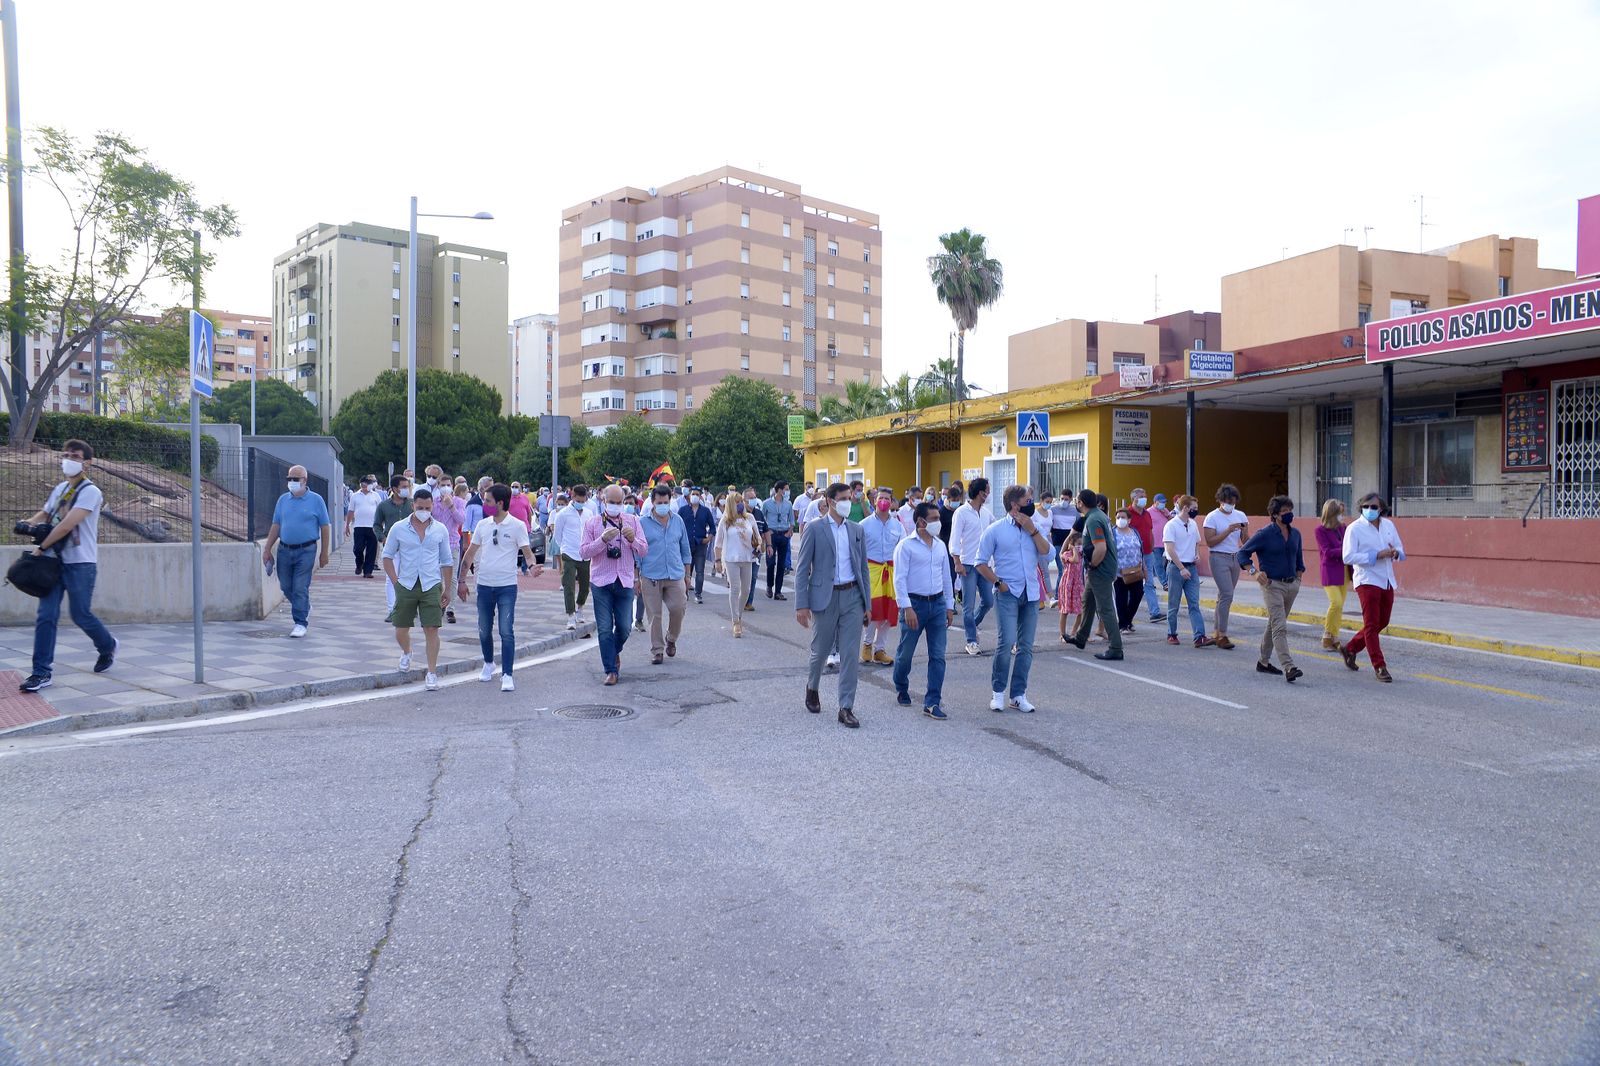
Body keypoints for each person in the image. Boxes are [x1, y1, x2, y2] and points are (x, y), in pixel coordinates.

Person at [18, 439, 118, 692]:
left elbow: (66, 525)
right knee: (46, 616)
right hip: (53, 562)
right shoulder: (61, 488)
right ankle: (41, 672)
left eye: (75, 456)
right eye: (66, 455)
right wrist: (28, 523)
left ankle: (107, 646)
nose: (68, 459)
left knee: (80, 614)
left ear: (87, 462)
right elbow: (47, 514)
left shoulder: (91, 491)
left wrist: (40, 548)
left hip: (80, 562)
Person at [794, 482, 871, 729]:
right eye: (844, 498)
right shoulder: (815, 529)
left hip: (852, 597)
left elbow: (863, 569)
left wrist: (867, 604)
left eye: (851, 497)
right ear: (829, 501)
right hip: (824, 598)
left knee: (850, 654)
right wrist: (801, 604)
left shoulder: (856, 530)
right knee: (820, 650)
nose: (849, 501)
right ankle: (812, 687)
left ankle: (846, 707)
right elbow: (802, 568)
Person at [974, 484, 1053, 712]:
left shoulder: (1034, 526)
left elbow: (1048, 554)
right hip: (1007, 593)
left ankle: (1018, 694)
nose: (1033, 504)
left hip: (1030, 594)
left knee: (1026, 646)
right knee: (1006, 642)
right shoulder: (996, 529)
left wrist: (1033, 530)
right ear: (1014, 505)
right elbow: (980, 562)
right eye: (1028, 501)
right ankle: (998, 692)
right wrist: (998, 583)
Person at [457, 483, 539, 692]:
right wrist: (461, 580)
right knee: (484, 630)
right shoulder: (483, 526)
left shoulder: (517, 525)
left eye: (488, 501)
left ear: (500, 503)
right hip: (484, 585)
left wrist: (532, 567)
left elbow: (527, 552)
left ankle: (507, 674)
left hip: (507, 586)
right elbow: (470, 553)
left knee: (506, 630)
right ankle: (488, 662)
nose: (484, 504)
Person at [381, 486, 454, 690]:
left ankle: (431, 672)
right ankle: (407, 652)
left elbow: (447, 561)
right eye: (420, 507)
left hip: (431, 584)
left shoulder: (440, 529)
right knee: (401, 628)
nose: (424, 511)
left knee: (431, 628)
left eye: (428, 508)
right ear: (413, 506)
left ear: (433, 507)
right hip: (406, 583)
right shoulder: (398, 528)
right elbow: (386, 557)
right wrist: (396, 583)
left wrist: (447, 589)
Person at [891, 501, 955, 719]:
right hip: (914, 605)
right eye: (935, 519)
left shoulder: (940, 545)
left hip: (937, 605)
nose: (938, 522)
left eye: (938, 518)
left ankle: (932, 701)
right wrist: (906, 607)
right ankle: (901, 685)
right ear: (921, 521)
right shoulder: (905, 546)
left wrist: (949, 606)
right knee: (906, 653)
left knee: (938, 655)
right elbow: (898, 579)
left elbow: (947, 577)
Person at [1239, 495, 1306, 683]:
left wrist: (1298, 580)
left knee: (1274, 623)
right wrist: (1254, 572)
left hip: (1291, 585)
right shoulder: (1265, 534)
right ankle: (1289, 666)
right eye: (1284, 512)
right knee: (1280, 626)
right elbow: (1242, 554)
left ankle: (1263, 661)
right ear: (1275, 514)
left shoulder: (1296, 534)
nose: (1289, 514)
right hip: (1272, 586)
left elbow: (1299, 559)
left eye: (1290, 511)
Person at [581, 483, 643, 686]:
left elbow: (644, 550)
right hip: (601, 581)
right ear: (603, 500)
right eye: (612, 502)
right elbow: (583, 553)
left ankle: (614, 651)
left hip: (624, 580)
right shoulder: (593, 523)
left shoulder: (632, 521)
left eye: (620, 502)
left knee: (625, 627)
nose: (616, 506)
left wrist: (633, 540)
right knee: (605, 628)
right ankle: (610, 670)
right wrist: (601, 540)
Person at [261, 464, 332, 638]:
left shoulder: (316, 500)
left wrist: (324, 553)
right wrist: (267, 548)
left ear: (304, 480)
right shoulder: (283, 500)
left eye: (296, 479)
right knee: (286, 586)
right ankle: (304, 606)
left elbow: (324, 526)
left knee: (300, 586)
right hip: (285, 550)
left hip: (306, 550)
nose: (292, 482)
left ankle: (300, 622)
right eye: (289, 479)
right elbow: (276, 525)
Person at [1341, 493, 1405, 683]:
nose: (1370, 510)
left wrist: (1395, 553)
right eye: (1366, 506)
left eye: (1374, 507)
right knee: (1371, 624)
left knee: (1382, 622)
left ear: (1381, 509)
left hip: (1386, 579)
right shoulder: (1354, 529)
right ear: (1361, 508)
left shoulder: (1388, 526)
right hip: (1367, 579)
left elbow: (1401, 550)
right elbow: (1348, 557)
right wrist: (1375, 555)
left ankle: (1350, 648)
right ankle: (1379, 666)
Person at [1064, 488, 1123, 661]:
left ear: (1081, 503)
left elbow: (1101, 548)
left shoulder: (1093, 520)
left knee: (1105, 609)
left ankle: (1116, 647)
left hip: (1100, 569)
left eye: (1077, 500)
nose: (1076, 503)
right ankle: (1081, 638)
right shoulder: (1097, 515)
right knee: (1087, 601)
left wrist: (1093, 565)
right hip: (1101, 567)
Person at [638, 485, 692, 665]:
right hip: (651, 575)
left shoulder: (678, 521)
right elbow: (637, 551)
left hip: (675, 573)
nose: (663, 505)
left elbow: (685, 548)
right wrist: (636, 576)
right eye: (659, 502)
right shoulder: (642, 522)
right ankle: (657, 650)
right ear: (652, 503)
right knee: (654, 615)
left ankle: (671, 638)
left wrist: (687, 573)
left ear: (670, 501)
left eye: (666, 502)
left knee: (679, 607)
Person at [1162, 495, 1214, 648]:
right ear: (1185, 508)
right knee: (1174, 603)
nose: (1196, 511)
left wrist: (1196, 553)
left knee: (1194, 604)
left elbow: (1197, 541)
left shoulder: (1192, 524)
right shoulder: (1171, 525)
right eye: (1194, 508)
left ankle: (1199, 636)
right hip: (1176, 568)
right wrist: (1181, 568)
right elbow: (1170, 549)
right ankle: (1171, 633)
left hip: (1191, 567)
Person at [860, 488, 905, 665]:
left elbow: (903, 550)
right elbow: (857, 550)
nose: (884, 501)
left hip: (892, 571)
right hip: (871, 571)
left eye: (887, 498)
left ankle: (880, 649)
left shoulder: (898, 525)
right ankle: (867, 645)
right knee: (873, 611)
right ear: (874, 501)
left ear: (892, 502)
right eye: (881, 498)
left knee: (888, 612)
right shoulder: (864, 525)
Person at [1203, 483, 1249, 651]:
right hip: (1218, 557)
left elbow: (1246, 540)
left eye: (1234, 501)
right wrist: (1228, 531)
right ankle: (1223, 634)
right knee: (1227, 594)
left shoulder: (1241, 515)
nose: (1231, 504)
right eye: (1228, 500)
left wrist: (1243, 532)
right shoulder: (1212, 517)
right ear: (1221, 500)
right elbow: (1210, 541)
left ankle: (1217, 631)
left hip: (1235, 557)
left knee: (1223, 596)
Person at [951, 477, 994, 656]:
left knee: (988, 601)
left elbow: (995, 529)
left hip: (984, 564)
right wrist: (957, 562)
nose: (988, 494)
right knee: (968, 605)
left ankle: (972, 625)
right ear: (979, 492)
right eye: (986, 491)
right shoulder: (961, 512)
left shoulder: (986, 513)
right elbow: (954, 539)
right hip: (967, 563)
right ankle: (971, 640)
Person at [714, 492, 763, 637]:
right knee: (735, 589)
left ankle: (738, 615)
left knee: (746, 591)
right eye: (737, 502)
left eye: (741, 501)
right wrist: (717, 561)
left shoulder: (750, 518)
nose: (740, 504)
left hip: (748, 558)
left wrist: (759, 546)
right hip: (731, 559)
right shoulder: (726, 520)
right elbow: (718, 543)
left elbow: (758, 537)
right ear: (730, 505)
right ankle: (736, 622)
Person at [374, 474, 413, 622]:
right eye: (403, 487)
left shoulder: (411, 504)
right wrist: (383, 538)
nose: (406, 490)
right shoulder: (383, 506)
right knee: (391, 579)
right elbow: (376, 525)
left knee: (409, 578)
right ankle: (392, 610)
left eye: (407, 487)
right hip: (391, 549)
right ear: (394, 489)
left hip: (410, 548)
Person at [553, 486, 592, 631]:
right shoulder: (563, 514)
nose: (580, 503)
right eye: (578, 500)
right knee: (568, 585)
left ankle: (579, 608)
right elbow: (558, 535)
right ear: (572, 496)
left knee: (584, 586)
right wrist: (564, 547)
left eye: (583, 500)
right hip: (569, 552)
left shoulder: (589, 513)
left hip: (585, 554)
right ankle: (570, 615)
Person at [429, 467, 465, 624]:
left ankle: (450, 609)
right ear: (438, 486)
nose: (445, 487)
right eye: (442, 485)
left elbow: (461, 520)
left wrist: (451, 506)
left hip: (452, 543)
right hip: (435, 545)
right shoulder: (433, 503)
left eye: (448, 485)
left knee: (452, 579)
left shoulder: (459, 502)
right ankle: (438, 605)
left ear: (452, 486)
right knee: (436, 577)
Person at [1316, 499, 1351, 650]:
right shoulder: (1320, 531)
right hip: (1330, 571)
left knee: (1340, 605)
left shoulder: (1344, 528)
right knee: (1335, 603)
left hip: (1344, 571)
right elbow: (1327, 552)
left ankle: (1335, 636)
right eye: (1339, 513)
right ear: (1331, 514)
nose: (1342, 516)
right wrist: (1346, 551)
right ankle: (1327, 634)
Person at [1126, 488, 1163, 623]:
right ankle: (1126, 617)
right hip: (1133, 555)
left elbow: (1150, 531)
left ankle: (1155, 612)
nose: (1144, 498)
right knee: (1131, 585)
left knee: (1150, 583)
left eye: (1145, 496)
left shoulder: (1147, 514)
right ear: (1133, 498)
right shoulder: (1127, 514)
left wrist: (1152, 547)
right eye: (1141, 496)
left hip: (1148, 553)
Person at [679, 486, 717, 604]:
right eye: (693, 494)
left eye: (697, 494)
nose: (694, 496)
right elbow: (677, 525)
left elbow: (712, 527)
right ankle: (684, 592)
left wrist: (709, 538)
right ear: (690, 495)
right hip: (686, 545)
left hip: (701, 544)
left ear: (700, 496)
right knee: (686, 570)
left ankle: (698, 593)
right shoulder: (683, 510)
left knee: (700, 570)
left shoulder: (705, 511)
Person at [1111, 507, 1146, 634]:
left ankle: (1128, 620)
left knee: (1137, 595)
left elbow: (1140, 551)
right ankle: (1123, 625)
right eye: (1118, 517)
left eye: (1123, 517)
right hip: (1119, 573)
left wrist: (1145, 570)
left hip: (1135, 571)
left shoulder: (1134, 532)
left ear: (1129, 520)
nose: (1120, 520)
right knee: (1121, 598)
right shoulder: (1112, 533)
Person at [762, 480, 796, 601]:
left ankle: (778, 591)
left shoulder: (788, 504)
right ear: (779, 490)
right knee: (771, 563)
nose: (787, 491)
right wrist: (765, 533)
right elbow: (762, 518)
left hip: (783, 534)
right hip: (771, 534)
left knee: (782, 565)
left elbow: (792, 520)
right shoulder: (766, 503)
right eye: (786, 489)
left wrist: (789, 532)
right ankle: (769, 586)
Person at [344, 475, 382, 578]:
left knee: (371, 549)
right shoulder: (355, 496)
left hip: (372, 527)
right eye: (363, 485)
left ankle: (368, 571)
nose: (365, 487)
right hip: (359, 526)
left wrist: (381, 525)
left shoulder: (376, 496)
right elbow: (351, 511)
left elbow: (380, 511)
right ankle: (359, 564)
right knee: (358, 548)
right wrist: (347, 525)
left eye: (367, 485)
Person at [1057, 530, 1084, 642]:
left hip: (1078, 584)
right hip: (1067, 584)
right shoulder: (1066, 554)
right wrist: (1073, 549)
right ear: (1072, 544)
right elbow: (1075, 560)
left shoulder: (1082, 555)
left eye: (1081, 544)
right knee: (1065, 610)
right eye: (1078, 544)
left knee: (1081, 610)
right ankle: (1062, 634)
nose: (1080, 546)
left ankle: (1074, 632)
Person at [1148, 493, 1172, 595]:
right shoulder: (1149, 512)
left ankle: (1168, 581)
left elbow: (1172, 522)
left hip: (1166, 541)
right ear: (1156, 502)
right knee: (1158, 564)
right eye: (1162, 502)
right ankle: (1165, 583)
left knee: (1168, 563)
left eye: (1164, 502)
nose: (1163, 504)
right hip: (1155, 543)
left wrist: (1167, 514)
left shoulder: (1165, 511)